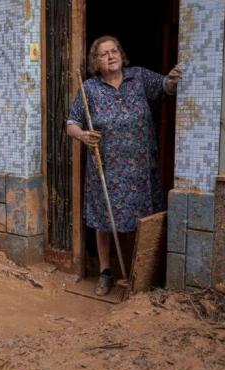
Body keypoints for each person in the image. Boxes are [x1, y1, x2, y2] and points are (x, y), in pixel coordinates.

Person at [66, 35, 182, 296]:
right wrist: (83, 136)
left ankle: (142, 274)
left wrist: (173, 80)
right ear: (96, 62)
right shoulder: (90, 90)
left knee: (144, 216)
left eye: (114, 50)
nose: (111, 56)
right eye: (104, 53)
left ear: (121, 54)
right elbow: (71, 123)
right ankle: (106, 272)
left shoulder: (139, 78)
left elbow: (166, 87)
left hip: (141, 169)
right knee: (104, 220)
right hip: (106, 169)